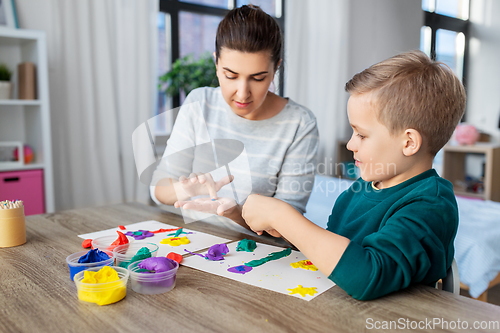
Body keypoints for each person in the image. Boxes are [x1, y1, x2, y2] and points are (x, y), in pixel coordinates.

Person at [242, 50, 466, 300]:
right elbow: (332, 254)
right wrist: (283, 228)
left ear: (409, 142)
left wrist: (281, 215)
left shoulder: (431, 205)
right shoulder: (360, 190)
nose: (350, 144)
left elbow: (368, 275)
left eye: (361, 134)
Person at [150, 5, 319, 234]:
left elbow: (287, 224)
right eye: (230, 75)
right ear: (216, 63)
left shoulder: (299, 124)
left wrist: (234, 213)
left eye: (258, 78)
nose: (242, 93)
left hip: (256, 254)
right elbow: (158, 189)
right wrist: (188, 189)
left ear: (276, 68)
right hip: (190, 241)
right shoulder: (199, 103)